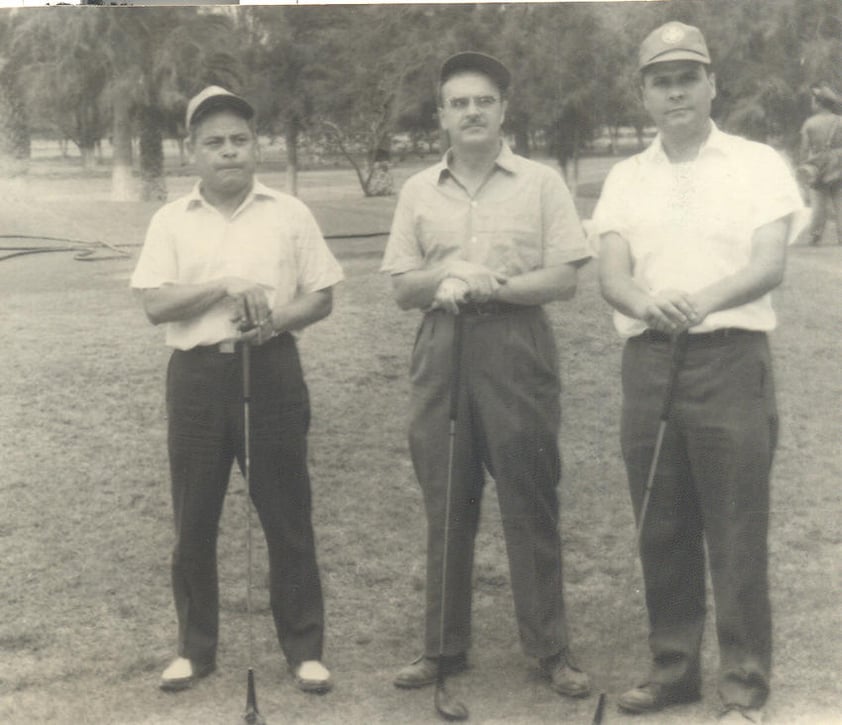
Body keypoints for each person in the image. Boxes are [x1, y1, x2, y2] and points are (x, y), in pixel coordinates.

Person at [593, 22, 804, 723]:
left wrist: (698, 301)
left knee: (737, 528)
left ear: (713, 83)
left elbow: (769, 261)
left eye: (689, 76)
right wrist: (648, 303)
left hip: (729, 360)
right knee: (662, 523)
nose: (676, 89)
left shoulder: (755, 162)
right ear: (644, 94)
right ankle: (674, 670)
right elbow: (613, 274)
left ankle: (743, 686)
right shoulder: (626, 175)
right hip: (649, 362)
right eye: (661, 79)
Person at [381, 51, 592, 698]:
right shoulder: (419, 189)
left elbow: (564, 275)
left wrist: (490, 284)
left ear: (503, 109)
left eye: (484, 101)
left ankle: (550, 650)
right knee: (446, 497)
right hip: (443, 349)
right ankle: (442, 649)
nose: (471, 111)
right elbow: (400, 285)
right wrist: (443, 279)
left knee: (529, 498)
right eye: (458, 102)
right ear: (441, 114)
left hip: (515, 344)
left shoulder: (541, 182)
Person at [130, 86, 343, 695]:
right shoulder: (170, 219)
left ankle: (304, 649)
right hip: (197, 378)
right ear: (191, 151)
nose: (229, 152)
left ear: (256, 145)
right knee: (193, 520)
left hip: (272, 369)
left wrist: (275, 320)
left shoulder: (289, 212)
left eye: (240, 140)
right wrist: (223, 285)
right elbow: (154, 303)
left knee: (286, 512)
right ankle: (194, 651)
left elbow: (322, 294)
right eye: (214, 142)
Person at [798, 82, 842, 245]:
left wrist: (803, 166)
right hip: (839, 162)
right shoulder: (840, 121)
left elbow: (804, 148)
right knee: (840, 199)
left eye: (813, 101)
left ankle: (816, 234)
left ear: (818, 103)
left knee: (818, 200)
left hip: (818, 165)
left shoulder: (810, 123)